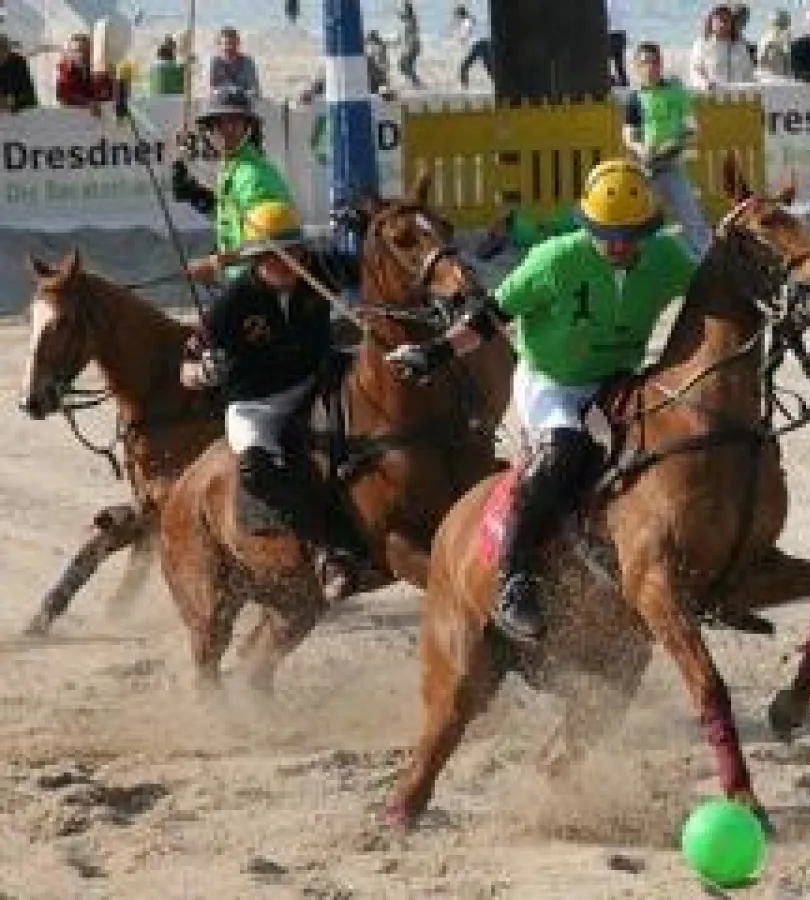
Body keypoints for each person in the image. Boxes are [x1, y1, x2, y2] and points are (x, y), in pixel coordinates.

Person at [385, 160, 698, 645]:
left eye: (631, 234)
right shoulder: (555, 258)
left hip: (620, 381)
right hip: (552, 383)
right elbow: (490, 319)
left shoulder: (667, 258)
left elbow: (710, 295)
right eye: (607, 233)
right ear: (587, 225)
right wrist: (435, 354)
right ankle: (515, 581)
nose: (620, 245)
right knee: (565, 451)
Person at [172, 87, 354, 599]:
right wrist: (188, 183)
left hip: (298, 362)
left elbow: (267, 237)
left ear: (247, 126)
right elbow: (241, 229)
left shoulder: (256, 177)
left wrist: (218, 263)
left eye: (232, 124)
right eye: (216, 126)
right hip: (255, 387)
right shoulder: (233, 168)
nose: (223, 132)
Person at [623, 42, 713, 261]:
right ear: (636, 66)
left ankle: (710, 265)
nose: (650, 68)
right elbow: (628, 136)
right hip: (646, 171)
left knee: (693, 220)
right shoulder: (634, 99)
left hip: (672, 168)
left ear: (661, 64)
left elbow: (691, 128)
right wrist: (642, 149)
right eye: (644, 63)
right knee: (640, 224)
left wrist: (673, 143)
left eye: (654, 62)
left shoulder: (676, 90)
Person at [689, 4, 755, 89]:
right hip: (711, 96)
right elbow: (695, 71)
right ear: (710, 21)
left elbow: (748, 73)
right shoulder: (702, 45)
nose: (722, 24)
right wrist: (704, 83)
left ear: (731, 24)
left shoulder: (739, 46)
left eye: (726, 20)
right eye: (719, 20)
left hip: (738, 97)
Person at [56, 32, 113, 109]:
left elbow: (107, 91)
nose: (83, 54)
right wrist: (88, 103)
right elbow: (63, 95)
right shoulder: (67, 68)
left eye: (87, 50)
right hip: (73, 114)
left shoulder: (97, 68)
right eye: (79, 50)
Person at [209, 26, 260, 99]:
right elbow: (210, 91)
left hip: (244, 106)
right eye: (225, 44)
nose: (228, 47)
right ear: (219, 45)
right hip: (218, 107)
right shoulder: (215, 63)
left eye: (232, 44)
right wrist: (224, 93)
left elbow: (255, 91)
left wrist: (238, 93)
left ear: (237, 44)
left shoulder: (247, 63)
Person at [453, 4, 493, 89]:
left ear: (460, 15)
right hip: (486, 42)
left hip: (478, 44)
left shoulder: (466, 21)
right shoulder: (472, 19)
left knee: (464, 66)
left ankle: (464, 86)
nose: (456, 19)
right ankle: (498, 83)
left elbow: (465, 33)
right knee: (489, 67)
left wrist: (462, 38)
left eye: (456, 16)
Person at [0, 33, 37, 113]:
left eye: (4, 48)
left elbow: (30, 97)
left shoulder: (18, 63)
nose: (1, 53)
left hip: (18, 115)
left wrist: (13, 101)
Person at [757, 9, 793, 80]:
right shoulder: (766, 40)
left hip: (783, 79)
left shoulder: (787, 39)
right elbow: (762, 63)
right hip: (769, 78)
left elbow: (788, 63)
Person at [396, 1, 423, 89]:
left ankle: (415, 83)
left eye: (405, 10)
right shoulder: (410, 18)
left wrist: (398, 10)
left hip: (412, 45)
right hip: (412, 45)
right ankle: (415, 83)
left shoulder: (411, 19)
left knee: (403, 65)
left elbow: (403, 17)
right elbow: (402, 17)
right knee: (406, 66)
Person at [607, 0, 629, 87]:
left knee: (611, 56)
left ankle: (615, 77)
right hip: (618, 30)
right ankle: (620, 78)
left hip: (612, 31)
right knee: (618, 57)